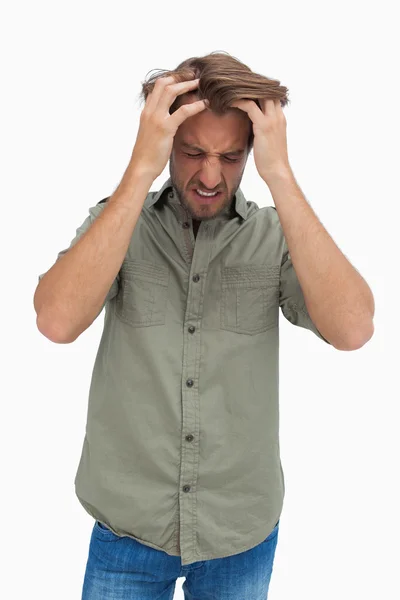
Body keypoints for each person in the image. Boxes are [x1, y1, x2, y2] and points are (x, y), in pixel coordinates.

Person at [34, 51, 374, 599]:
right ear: (167, 142)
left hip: (239, 531)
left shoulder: (276, 237)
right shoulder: (119, 224)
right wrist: (140, 167)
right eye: (192, 152)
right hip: (128, 529)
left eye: (231, 157)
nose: (211, 176)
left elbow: (355, 329)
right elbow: (55, 321)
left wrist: (280, 175)